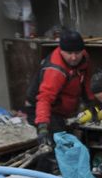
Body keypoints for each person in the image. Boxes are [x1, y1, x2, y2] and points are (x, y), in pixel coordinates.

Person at [31, 30, 93, 163]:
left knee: (72, 144)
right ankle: (46, 177)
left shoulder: (84, 58)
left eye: (77, 53)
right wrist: (43, 127)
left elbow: (87, 81)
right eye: (69, 53)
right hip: (47, 110)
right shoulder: (55, 71)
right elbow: (44, 99)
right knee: (54, 146)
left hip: (67, 107)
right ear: (61, 50)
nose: (74, 57)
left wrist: (91, 103)